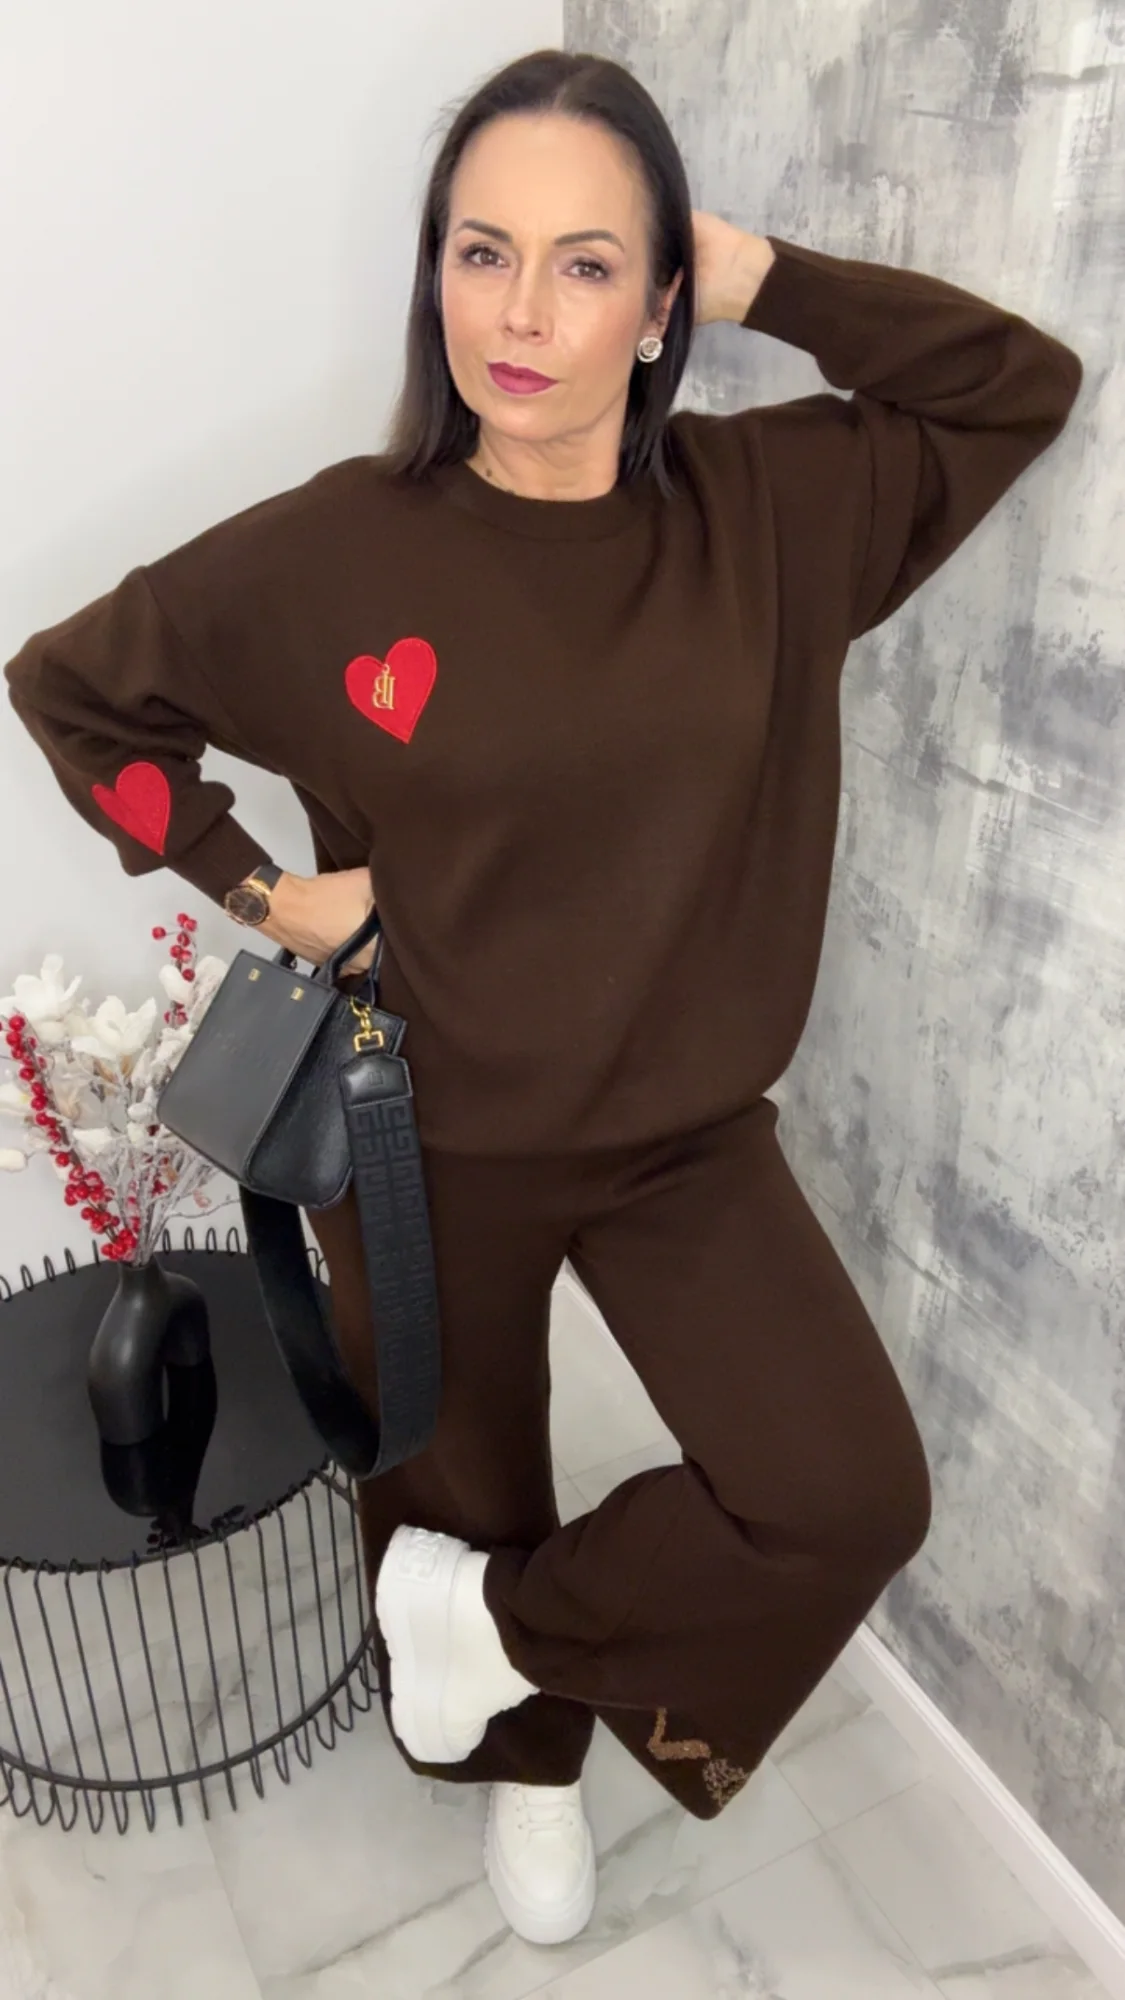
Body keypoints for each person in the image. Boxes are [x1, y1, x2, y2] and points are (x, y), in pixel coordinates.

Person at [3, 45, 1081, 1950]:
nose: (521, 313)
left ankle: (495, 1638)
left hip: (685, 1139)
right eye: (483, 252)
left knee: (841, 1496)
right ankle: (529, 1765)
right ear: (433, 273)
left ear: (663, 304)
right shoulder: (338, 550)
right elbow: (72, 691)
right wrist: (265, 889)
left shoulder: (776, 510)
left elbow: (1016, 385)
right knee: (461, 1478)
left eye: (589, 266)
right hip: (418, 1139)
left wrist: (766, 277)